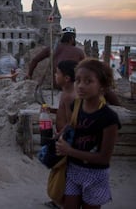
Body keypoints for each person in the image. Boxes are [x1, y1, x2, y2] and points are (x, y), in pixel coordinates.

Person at [56, 58, 121, 209]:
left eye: (88, 81)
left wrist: (70, 151)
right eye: (77, 80)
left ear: (102, 87)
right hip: (73, 170)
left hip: (96, 175)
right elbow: (73, 125)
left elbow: (104, 158)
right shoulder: (76, 105)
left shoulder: (108, 118)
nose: (80, 86)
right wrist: (62, 133)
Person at [26, 26, 121, 106]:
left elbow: (35, 60)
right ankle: (118, 107)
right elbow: (88, 68)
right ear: (72, 39)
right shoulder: (78, 51)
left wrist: (29, 74)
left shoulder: (52, 48)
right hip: (71, 84)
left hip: (56, 83)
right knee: (105, 90)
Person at [44, 60, 78, 209]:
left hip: (67, 139)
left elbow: (72, 122)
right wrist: (51, 111)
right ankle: (58, 200)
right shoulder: (65, 92)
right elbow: (63, 112)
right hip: (61, 135)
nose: (54, 75)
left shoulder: (72, 96)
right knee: (57, 171)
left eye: (57, 73)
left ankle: (61, 202)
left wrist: (59, 136)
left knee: (63, 174)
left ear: (67, 78)